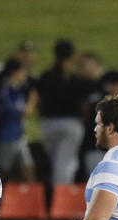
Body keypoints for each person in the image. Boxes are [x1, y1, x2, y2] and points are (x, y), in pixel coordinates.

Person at [36, 39, 86, 185]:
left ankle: (52, 196)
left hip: (48, 124)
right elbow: (84, 106)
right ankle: (61, 197)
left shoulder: (46, 76)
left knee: (53, 162)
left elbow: (38, 101)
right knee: (65, 163)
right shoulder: (74, 78)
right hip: (71, 124)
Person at [0, 58, 37, 182]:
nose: (25, 76)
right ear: (15, 73)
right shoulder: (5, 91)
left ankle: (31, 197)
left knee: (28, 168)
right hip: (7, 137)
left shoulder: (18, 91)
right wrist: (32, 100)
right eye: (23, 73)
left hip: (19, 136)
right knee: (3, 171)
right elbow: (21, 112)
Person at [77, 52, 110, 175]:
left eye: (83, 66)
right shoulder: (84, 87)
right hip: (93, 143)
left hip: (110, 142)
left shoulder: (108, 82)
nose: (81, 70)